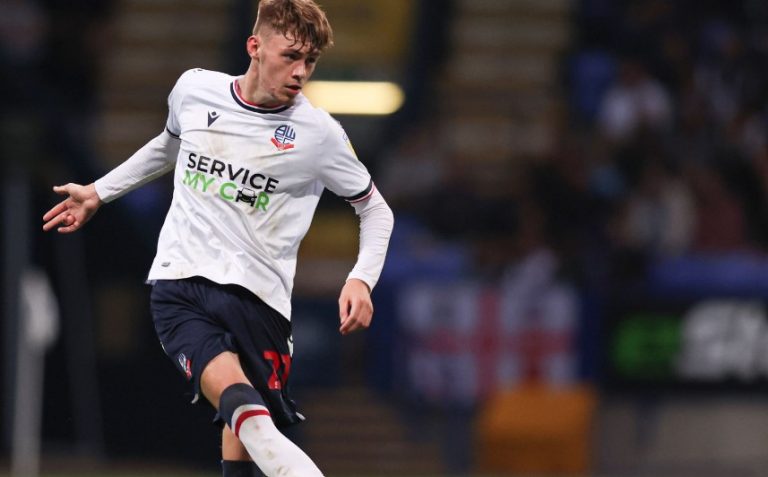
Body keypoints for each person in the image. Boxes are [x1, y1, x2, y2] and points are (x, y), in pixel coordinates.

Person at [42, 0, 394, 475]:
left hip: (260, 301)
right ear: (255, 46)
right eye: (290, 56)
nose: (301, 72)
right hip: (181, 285)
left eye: (309, 61)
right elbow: (169, 144)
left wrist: (361, 279)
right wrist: (99, 192)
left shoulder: (318, 134)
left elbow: (374, 209)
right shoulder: (194, 89)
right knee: (242, 407)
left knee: (246, 438)